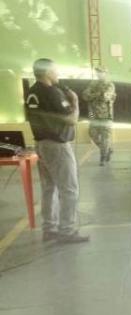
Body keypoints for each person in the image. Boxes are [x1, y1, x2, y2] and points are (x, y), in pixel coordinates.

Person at [25, 58, 89, 243]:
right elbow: (70, 120)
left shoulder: (32, 91)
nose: (57, 74)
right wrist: (75, 103)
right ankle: (67, 231)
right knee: (69, 189)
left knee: (48, 188)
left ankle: (49, 228)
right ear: (47, 72)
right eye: (55, 71)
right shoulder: (52, 93)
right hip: (57, 146)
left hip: (41, 144)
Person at [82, 66, 116, 166]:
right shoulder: (93, 83)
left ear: (105, 73)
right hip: (93, 115)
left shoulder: (110, 85)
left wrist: (93, 95)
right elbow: (85, 95)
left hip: (106, 116)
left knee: (105, 138)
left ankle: (103, 157)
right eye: (97, 72)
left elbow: (105, 97)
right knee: (92, 134)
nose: (98, 74)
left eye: (101, 72)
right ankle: (107, 150)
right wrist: (97, 94)